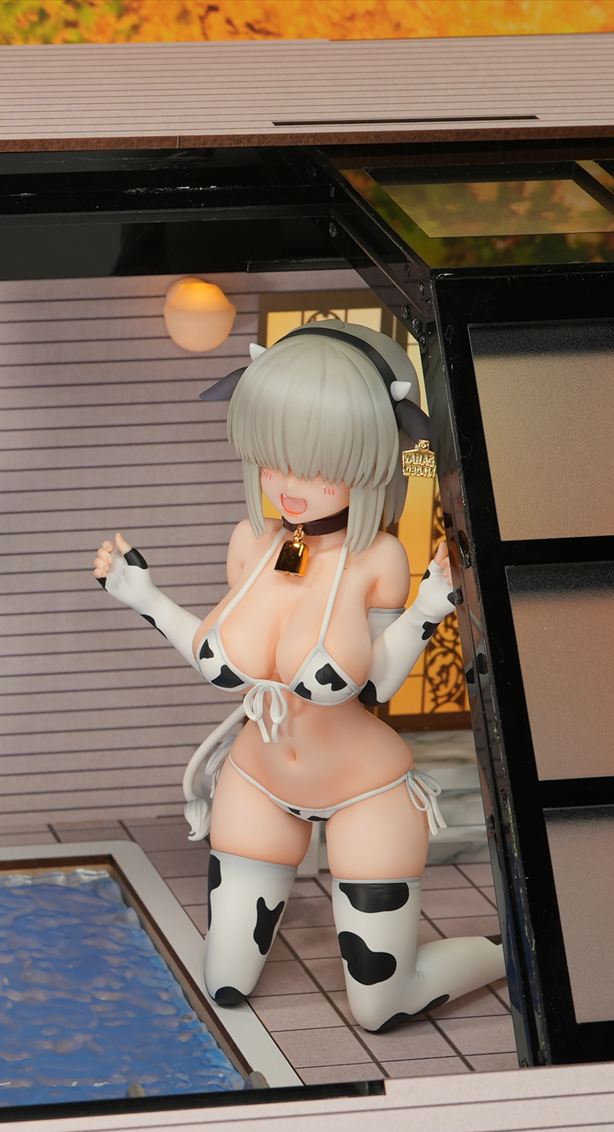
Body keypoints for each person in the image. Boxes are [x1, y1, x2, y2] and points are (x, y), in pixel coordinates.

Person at [91, 320, 504, 1032]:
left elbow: (376, 684)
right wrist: (146, 598)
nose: (289, 488)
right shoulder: (252, 542)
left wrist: (429, 609)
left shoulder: (378, 559)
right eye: (274, 462)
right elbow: (217, 651)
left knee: (380, 1006)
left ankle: (507, 953)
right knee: (224, 981)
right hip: (257, 782)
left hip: (365, 791)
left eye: (319, 469)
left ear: (370, 461)